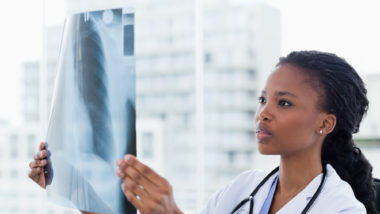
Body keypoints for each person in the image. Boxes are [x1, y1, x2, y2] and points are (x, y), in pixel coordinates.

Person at [29, 50, 377, 214]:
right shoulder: (242, 190)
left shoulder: (341, 209)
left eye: (283, 103)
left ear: (325, 124)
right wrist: (77, 185)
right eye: (262, 99)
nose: (263, 113)